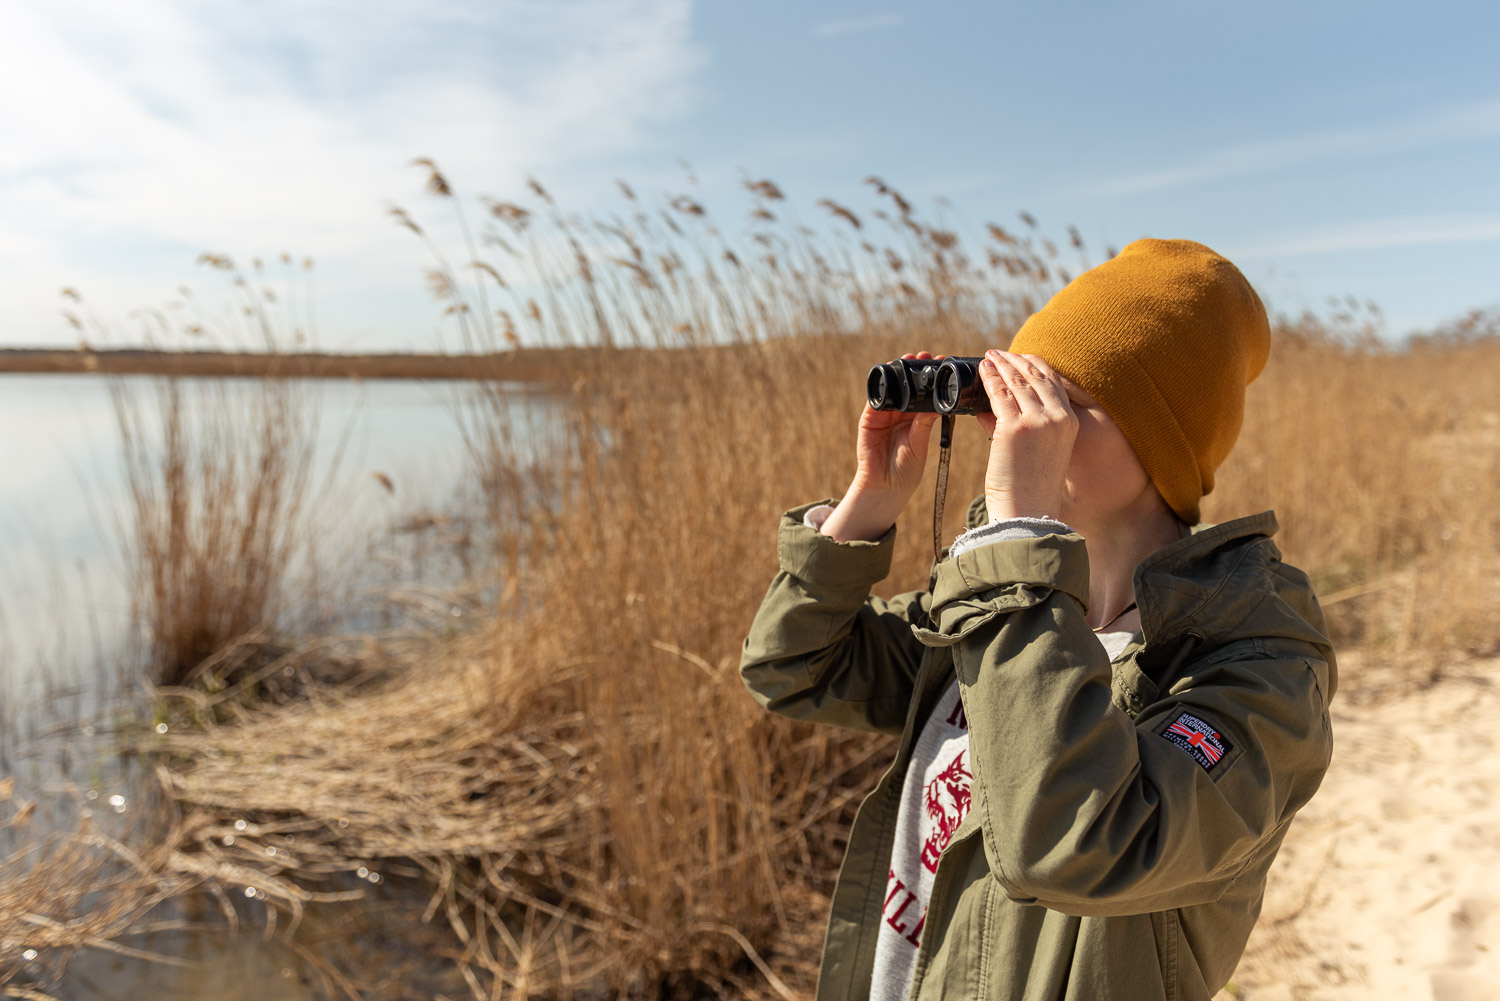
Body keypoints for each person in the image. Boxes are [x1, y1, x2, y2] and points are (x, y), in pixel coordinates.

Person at [739, 238, 1337, 1001]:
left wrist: (1016, 542)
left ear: (1164, 443)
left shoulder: (1255, 660)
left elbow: (1074, 845)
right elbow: (792, 668)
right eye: (1011, 394)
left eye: (1059, 402)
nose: (1015, 425)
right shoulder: (1008, 598)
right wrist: (865, 512)